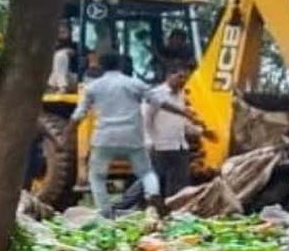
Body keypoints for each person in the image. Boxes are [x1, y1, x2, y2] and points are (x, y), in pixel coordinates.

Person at [68, 52, 166, 216]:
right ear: (120, 65)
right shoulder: (134, 83)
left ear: (101, 66)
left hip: (104, 137)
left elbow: (80, 113)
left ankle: (106, 213)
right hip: (132, 136)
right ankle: (153, 195)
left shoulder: (94, 86)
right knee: (146, 172)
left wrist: (67, 132)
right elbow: (156, 101)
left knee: (97, 176)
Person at [142, 62, 196, 198]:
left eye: (186, 78)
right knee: (156, 183)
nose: (183, 81)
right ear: (169, 76)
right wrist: (149, 142)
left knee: (180, 185)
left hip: (179, 145)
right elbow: (145, 120)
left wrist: (199, 131)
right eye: (180, 77)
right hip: (160, 146)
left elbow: (181, 121)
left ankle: (175, 212)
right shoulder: (156, 94)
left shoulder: (182, 95)